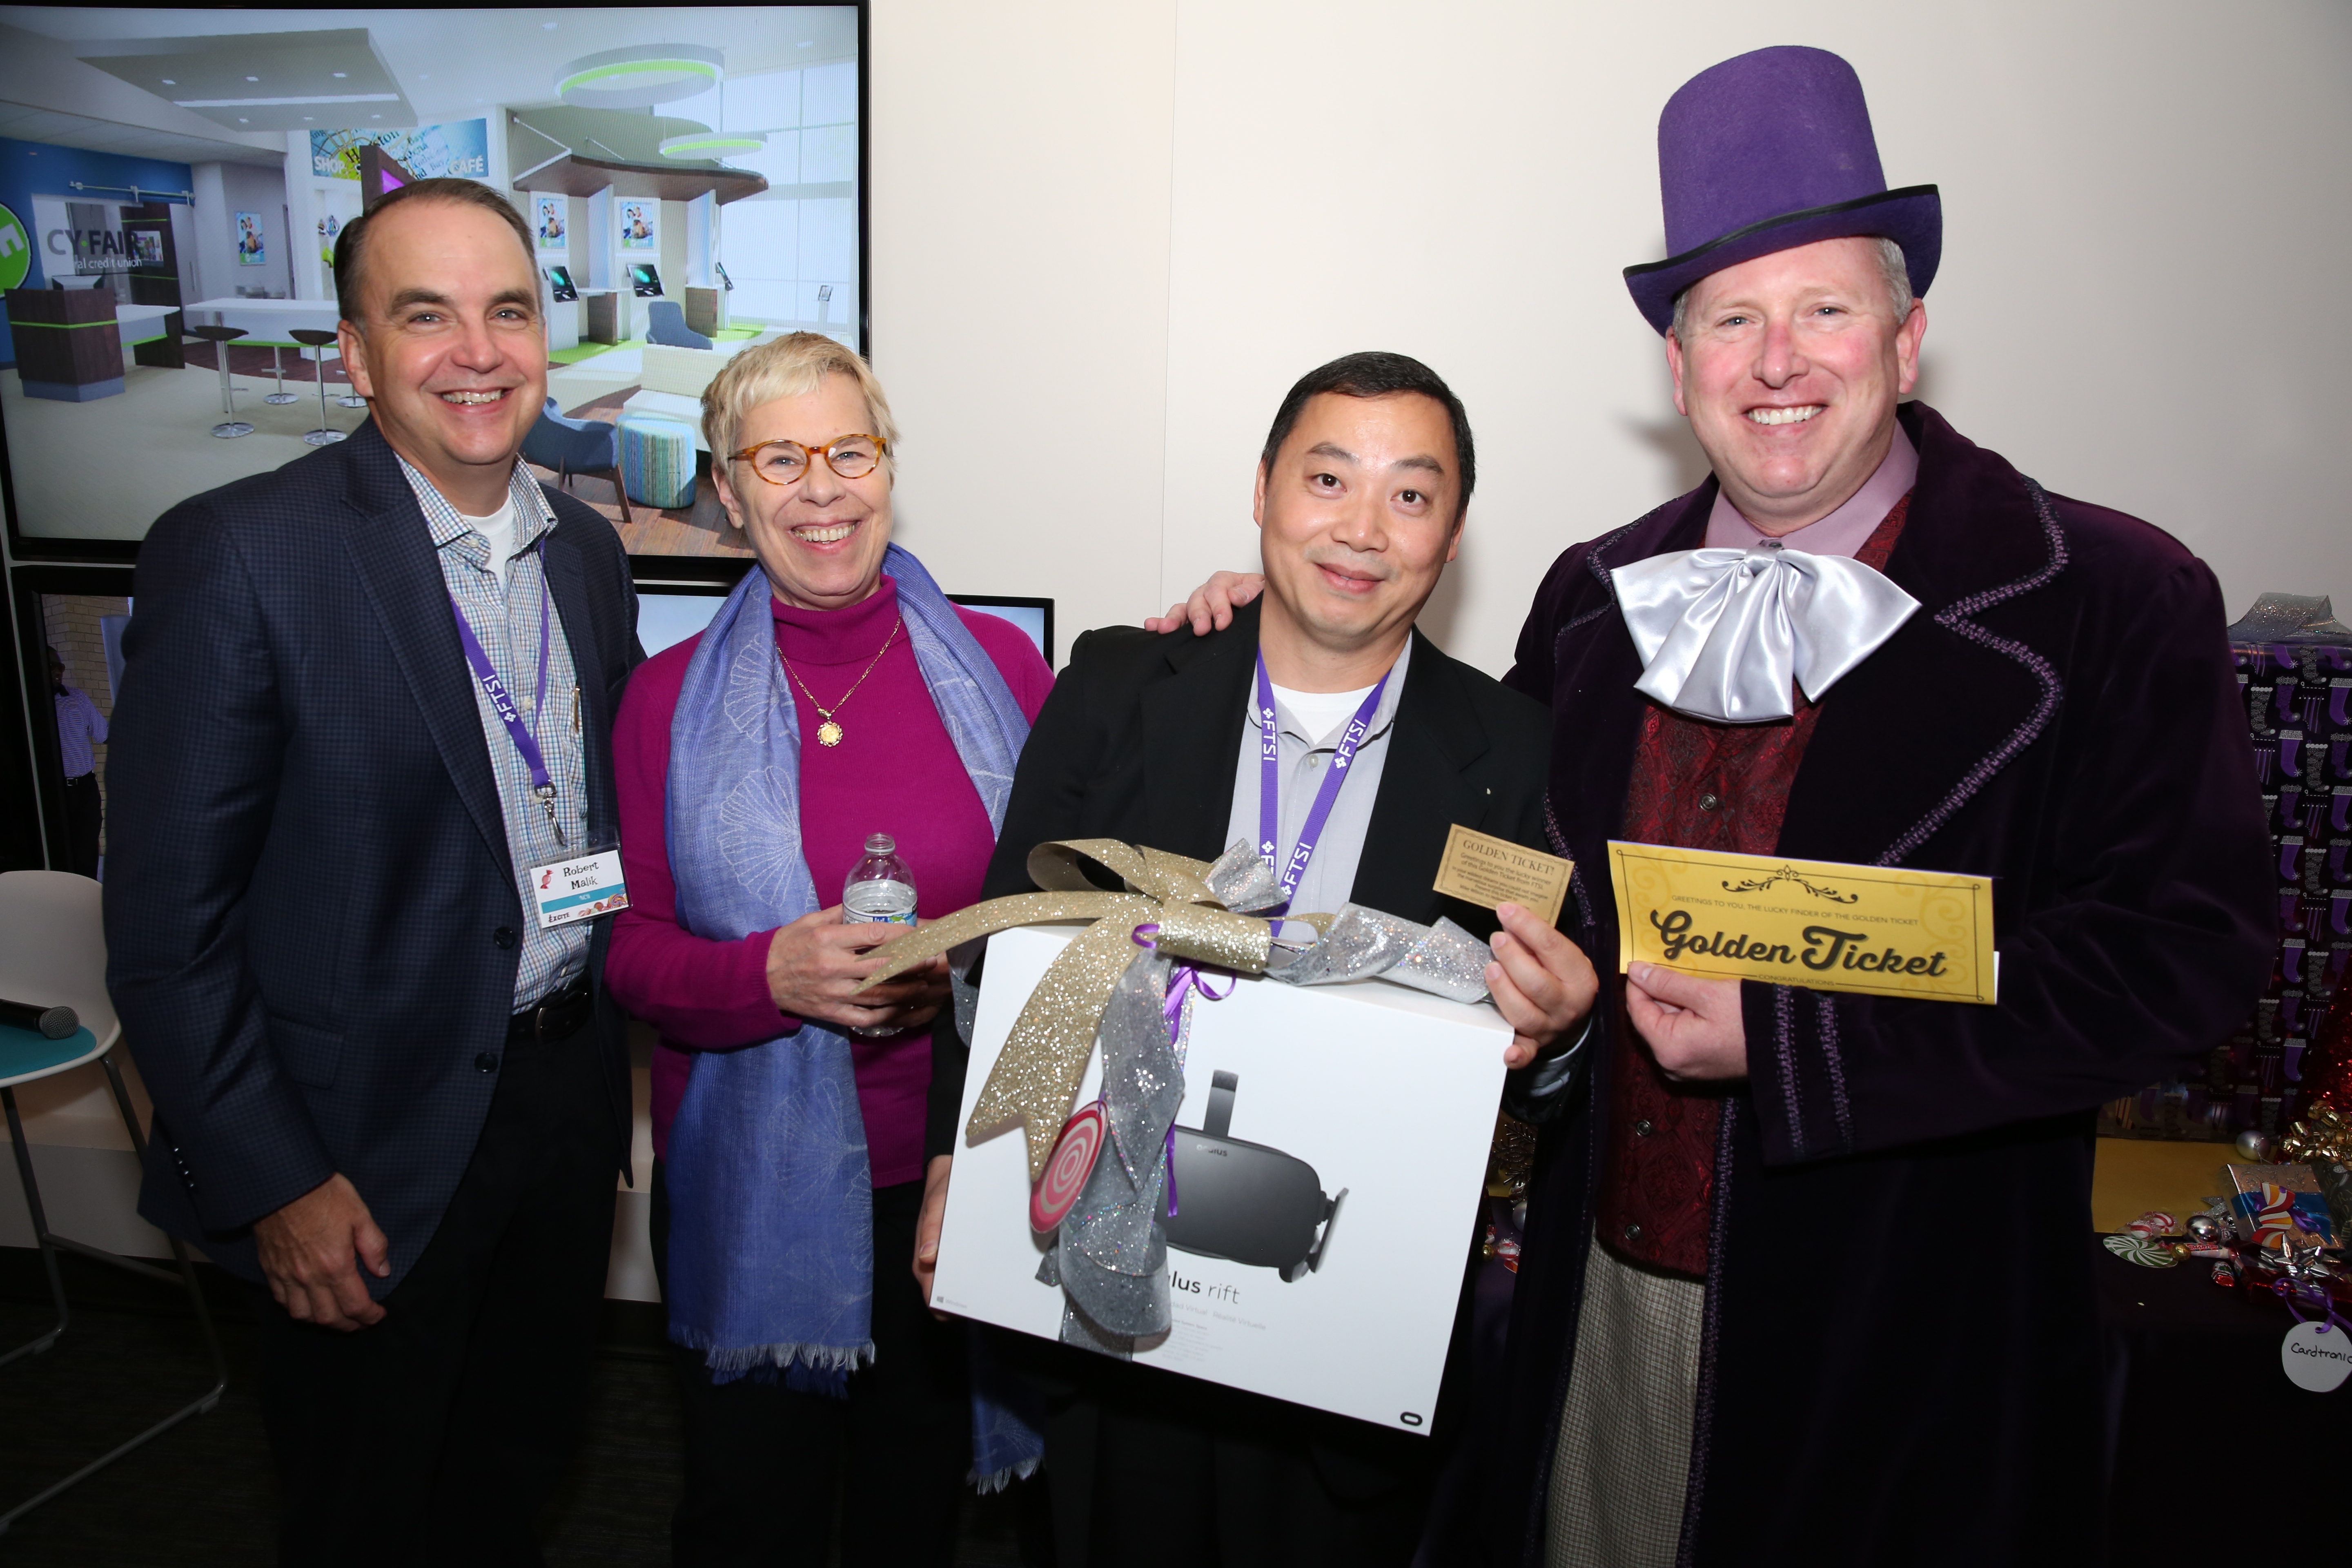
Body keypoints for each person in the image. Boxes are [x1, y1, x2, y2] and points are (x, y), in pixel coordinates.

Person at [1149, 48, 2274, 1567]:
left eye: (1821, 308)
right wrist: (1288, 635)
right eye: (1728, 319)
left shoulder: (2111, 598)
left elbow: (2177, 958)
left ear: (1906, 335)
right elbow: (1492, 859)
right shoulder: (1593, 594)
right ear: (1674, 367)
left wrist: (1798, 1037)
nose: (1776, 360)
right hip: (1604, 1301)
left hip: (1910, 1334)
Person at [942, 351, 1599, 1567]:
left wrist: (1556, 1039)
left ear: (1452, 535)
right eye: (1328, 477)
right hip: (1107, 1296)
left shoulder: (1513, 752)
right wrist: (959, 1162)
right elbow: (999, 950)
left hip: (1338, 1336)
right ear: (1261, 490)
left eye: (1411, 495)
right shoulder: (1119, 683)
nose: (1361, 528)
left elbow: (1532, 1066)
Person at [103, 177, 643, 1566]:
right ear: (355, 354)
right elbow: (169, 931)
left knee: (518, 1474)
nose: (478, 350)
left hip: (564, 1105)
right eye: (427, 315)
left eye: (508, 310)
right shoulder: (240, 555)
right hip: (360, 1148)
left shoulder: (587, 552)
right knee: (365, 1512)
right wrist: (275, 1180)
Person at [604, 332, 1054, 1567]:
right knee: (752, 1517)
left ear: (888, 466)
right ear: (729, 488)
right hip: (755, 1182)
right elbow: (630, 956)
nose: (822, 487)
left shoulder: (1007, 669)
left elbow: (1070, 918)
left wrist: (957, 968)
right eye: (781, 457)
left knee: (912, 1513)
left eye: (849, 450)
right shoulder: (667, 700)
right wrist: (768, 976)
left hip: (951, 1171)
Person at [47, 644, 107, 878]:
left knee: (86, 855)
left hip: (84, 790)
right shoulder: (26, 705)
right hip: (53, 794)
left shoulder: (76, 698)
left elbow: (103, 734)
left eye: (60, 666)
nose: (57, 671)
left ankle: (85, 902)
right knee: (59, 856)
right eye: (51, 666)